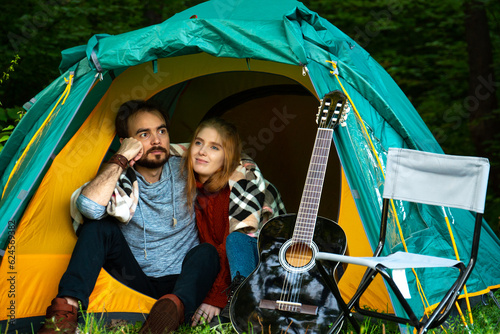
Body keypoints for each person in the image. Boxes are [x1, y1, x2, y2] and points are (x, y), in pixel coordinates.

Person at [38, 100, 219, 334]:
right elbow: (90, 208)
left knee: (207, 253)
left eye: (161, 131)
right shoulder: (117, 174)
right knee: (97, 228)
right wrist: (122, 158)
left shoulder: (188, 166)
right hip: (135, 278)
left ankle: (170, 314)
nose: (156, 140)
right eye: (144, 134)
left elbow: (229, 159)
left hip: (182, 283)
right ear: (127, 142)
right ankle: (64, 316)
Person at [181, 118, 286, 325]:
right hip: (221, 269)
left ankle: (243, 306)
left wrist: (215, 299)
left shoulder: (234, 188)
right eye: (198, 143)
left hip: (262, 268)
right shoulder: (196, 186)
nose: (202, 151)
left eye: (214, 147)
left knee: (235, 240)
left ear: (227, 158)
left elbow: (230, 245)